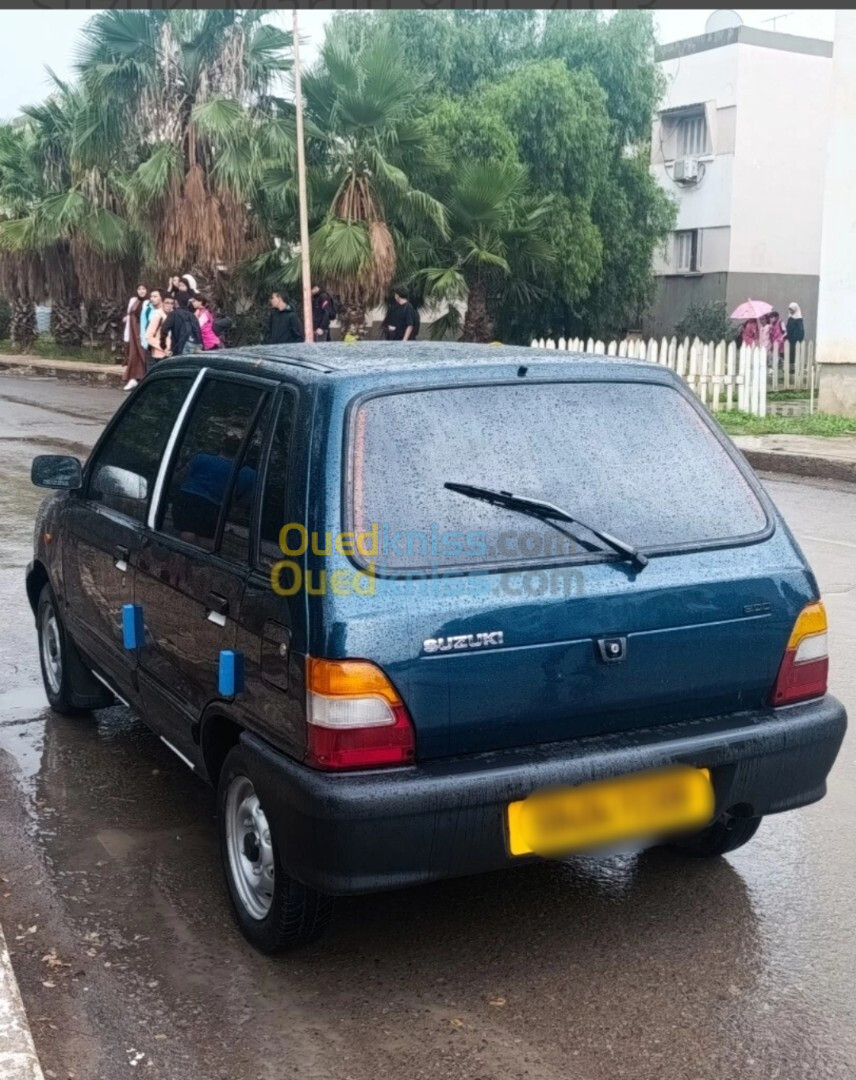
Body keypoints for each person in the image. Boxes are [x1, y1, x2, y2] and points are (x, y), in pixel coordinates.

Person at [122, 284, 149, 391]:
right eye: (139, 289)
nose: (141, 291)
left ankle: (144, 377)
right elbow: (130, 314)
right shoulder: (133, 300)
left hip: (143, 331)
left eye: (144, 289)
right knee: (133, 353)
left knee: (143, 353)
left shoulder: (149, 302)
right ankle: (133, 377)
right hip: (133, 330)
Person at [145, 290, 171, 365]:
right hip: (159, 353)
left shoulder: (169, 314)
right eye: (151, 296)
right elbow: (148, 335)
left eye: (155, 296)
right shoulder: (157, 314)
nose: (152, 299)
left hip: (168, 353)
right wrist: (164, 348)